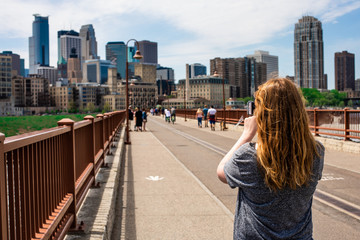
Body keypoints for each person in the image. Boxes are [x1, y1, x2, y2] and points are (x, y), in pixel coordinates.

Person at [216, 78, 325, 240]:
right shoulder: (316, 152)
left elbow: (221, 172)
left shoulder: (249, 156)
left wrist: (246, 135)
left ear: (262, 113)